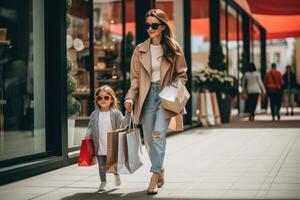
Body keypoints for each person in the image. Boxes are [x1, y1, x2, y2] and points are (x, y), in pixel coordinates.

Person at [124, 9, 188, 195]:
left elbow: (182, 74)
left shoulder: (174, 48)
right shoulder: (140, 50)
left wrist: (174, 89)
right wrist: (130, 97)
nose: (150, 29)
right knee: (150, 142)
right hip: (146, 97)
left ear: (163, 26)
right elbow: (135, 79)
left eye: (154, 25)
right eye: (147, 25)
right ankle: (160, 170)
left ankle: (153, 177)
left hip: (166, 96)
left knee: (158, 136)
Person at [85, 85, 130, 192]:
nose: (103, 100)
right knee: (102, 166)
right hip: (100, 144)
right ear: (96, 100)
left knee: (113, 164)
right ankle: (103, 182)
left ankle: (116, 174)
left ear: (111, 99)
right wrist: (88, 135)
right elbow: (90, 127)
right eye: (100, 98)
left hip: (112, 144)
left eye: (106, 97)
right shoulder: (94, 114)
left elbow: (123, 124)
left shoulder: (116, 113)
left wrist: (128, 113)